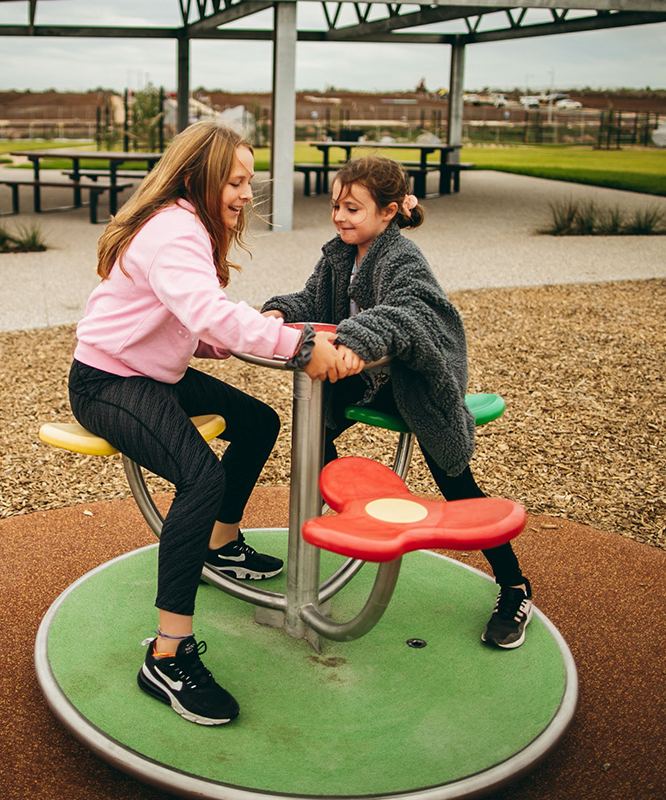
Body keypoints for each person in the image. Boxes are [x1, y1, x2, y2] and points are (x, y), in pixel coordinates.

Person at [68, 121, 346, 726]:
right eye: (237, 181)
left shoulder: (184, 224)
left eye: (250, 180)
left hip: (149, 372)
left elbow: (190, 323)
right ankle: (167, 655)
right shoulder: (175, 231)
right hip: (108, 381)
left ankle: (219, 546)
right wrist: (296, 346)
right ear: (199, 178)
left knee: (258, 422)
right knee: (201, 480)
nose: (248, 193)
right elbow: (208, 313)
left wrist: (257, 334)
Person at [261, 156, 533, 650]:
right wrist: (281, 310)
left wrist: (355, 341)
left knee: (457, 483)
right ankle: (348, 521)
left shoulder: (402, 259)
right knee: (309, 432)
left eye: (352, 208)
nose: (340, 217)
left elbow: (408, 313)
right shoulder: (339, 255)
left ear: (388, 213)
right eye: (335, 206)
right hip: (369, 379)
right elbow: (314, 300)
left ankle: (514, 585)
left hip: (419, 383)